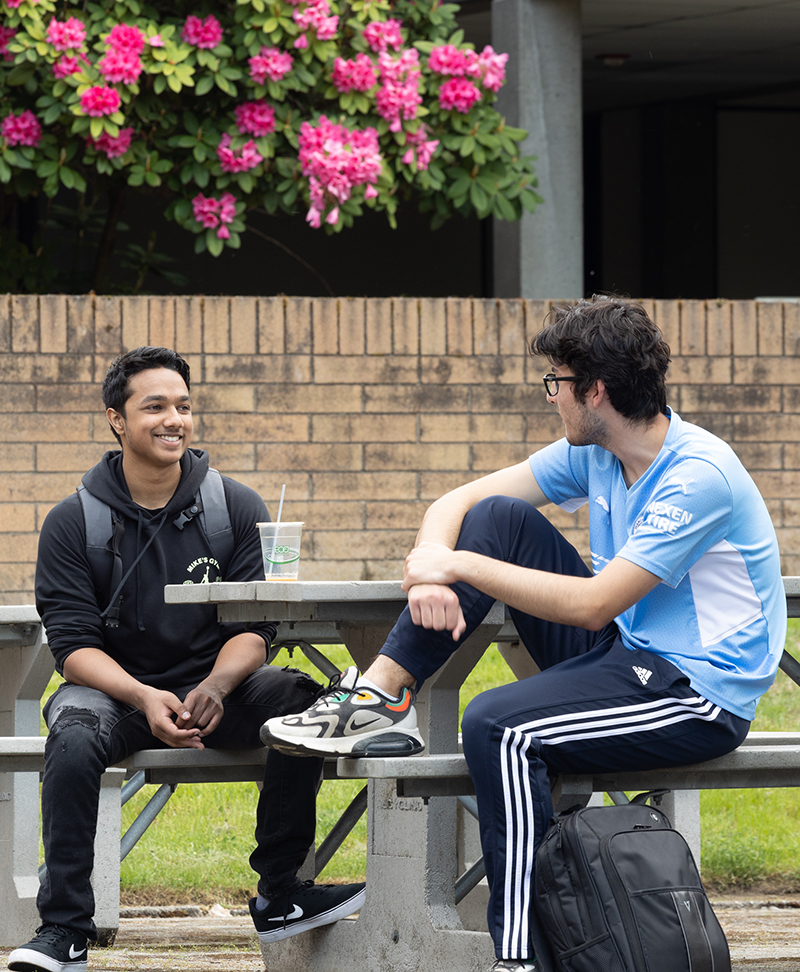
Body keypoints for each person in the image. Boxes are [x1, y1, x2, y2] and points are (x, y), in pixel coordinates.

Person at [260, 296, 787, 972]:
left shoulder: (696, 477)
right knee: (503, 517)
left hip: (697, 693)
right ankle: (379, 694)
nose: (550, 399)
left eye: (556, 384)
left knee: (500, 725)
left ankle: (520, 958)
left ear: (594, 391)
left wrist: (459, 565)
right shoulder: (598, 453)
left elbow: (597, 603)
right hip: (629, 656)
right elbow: (457, 503)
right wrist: (429, 573)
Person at [9, 347, 365, 972]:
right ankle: (64, 928)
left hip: (215, 691)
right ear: (117, 419)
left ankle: (279, 893)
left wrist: (219, 685)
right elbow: (73, 649)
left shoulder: (235, 509)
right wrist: (144, 697)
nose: (174, 419)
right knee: (71, 737)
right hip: (115, 693)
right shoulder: (72, 522)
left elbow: (256, 632)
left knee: (300, 700)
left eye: (183, 406)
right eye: (155, 407)